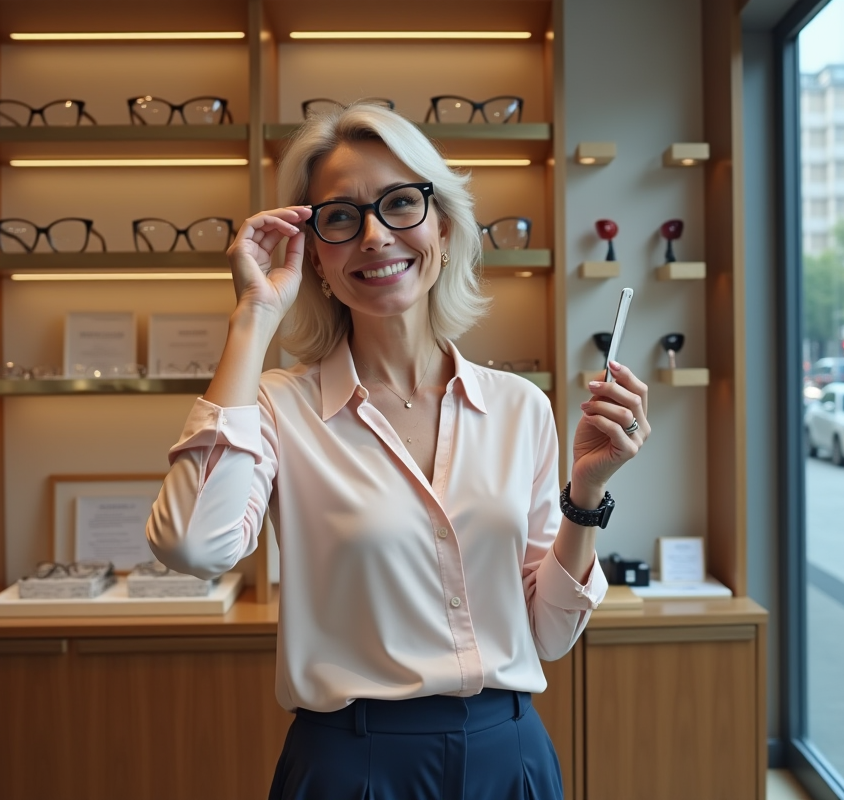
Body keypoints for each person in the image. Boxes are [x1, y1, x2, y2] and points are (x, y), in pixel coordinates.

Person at [146, 103, 650, 800]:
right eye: (342, 218)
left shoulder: (520, 407)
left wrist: (586, 496)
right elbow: (195, 547)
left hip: (511, 756)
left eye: (400, 204)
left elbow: (548, 636)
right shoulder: (276, 407)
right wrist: (253, 319)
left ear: (441, 227)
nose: (376, 236)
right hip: (353, 767)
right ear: (314, 253)